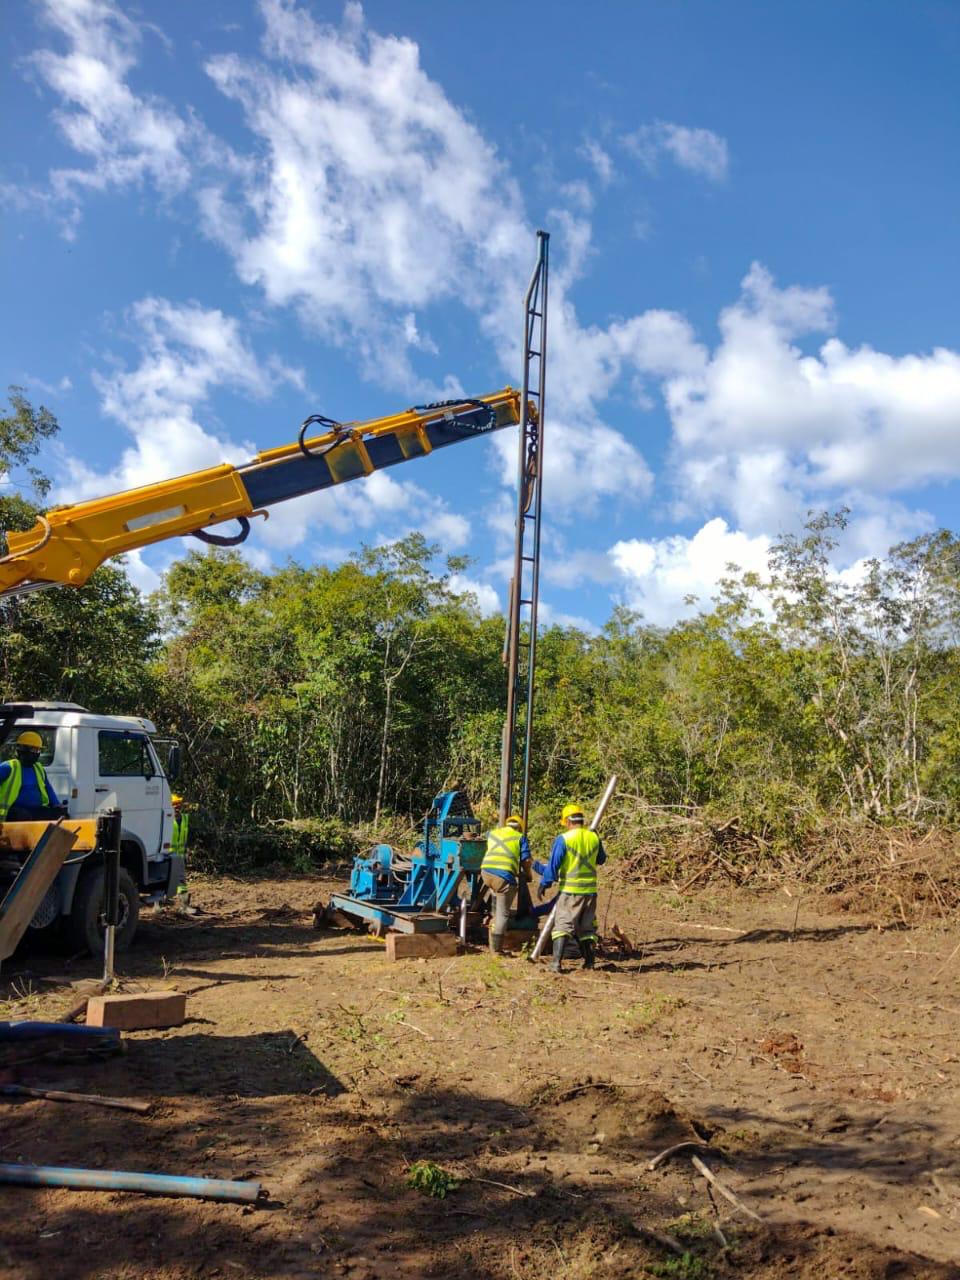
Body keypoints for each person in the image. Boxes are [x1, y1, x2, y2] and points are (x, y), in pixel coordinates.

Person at [539, 802, 606, 973]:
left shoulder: (564, 839)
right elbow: (601, 859)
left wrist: (544, 883)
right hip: (590, 892)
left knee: (562, 925)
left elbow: (553, 866)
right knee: (587, 927)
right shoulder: (593, 837)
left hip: (570, 891)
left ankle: (555, 963)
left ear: (568, 822)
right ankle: (590, 962)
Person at [480, 814, 531, 954]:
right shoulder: (520, 837)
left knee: (496, 906)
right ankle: (497, 950)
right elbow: (526, 861)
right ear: (520, 827)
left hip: (486, 873)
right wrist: (529, 875)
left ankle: (492, 921)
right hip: (502, 877)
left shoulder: (493, 833)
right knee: (503, 914)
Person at [0, 731, 63, 822]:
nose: (37, 753)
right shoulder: (8, 767)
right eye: (34, 750)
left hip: (36, 811)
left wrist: (57, 805)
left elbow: (48, 788)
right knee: (22, 815)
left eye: (38, 750)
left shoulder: (38, 768)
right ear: (22, 750)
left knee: (58, 814)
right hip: (15, 813)